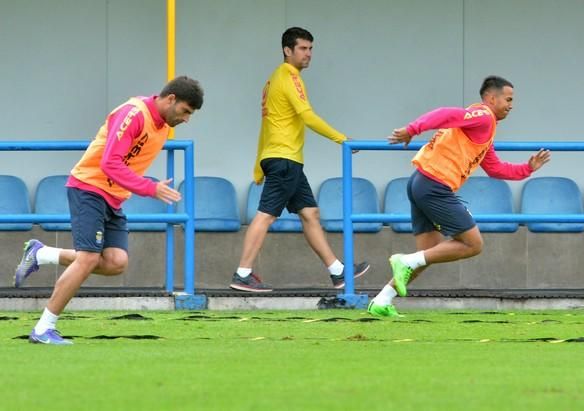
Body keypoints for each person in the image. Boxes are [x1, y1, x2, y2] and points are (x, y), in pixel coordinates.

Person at [14, 76, 204, 344]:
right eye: (185, 111)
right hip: (89, 187)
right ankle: (44, 328)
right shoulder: (133, 113)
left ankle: (42, 253)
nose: (187, 119)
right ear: (170, 99)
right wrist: (150, 188)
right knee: (89, 258)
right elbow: (110, 163)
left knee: (116, 262)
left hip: (113, 197)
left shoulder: (162, 127)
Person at [368, 76, 551, 317]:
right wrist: (412, 129)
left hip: (420, 182)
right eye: (508, 99)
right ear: (491, 98)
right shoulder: (483, 116)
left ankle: (382, 300)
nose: (511, 105)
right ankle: (405, 261)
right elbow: (444, 112)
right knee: (473, 244)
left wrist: (527, 169)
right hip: (434, 185)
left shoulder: (482, 128)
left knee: (427, 255)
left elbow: (495, 168)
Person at [230, 27, 369, 292]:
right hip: (284, 159)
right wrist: (342, 139)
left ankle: (337, 271)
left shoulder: (273, 80)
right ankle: (242, 273)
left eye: (310, 48)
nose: (308, 54)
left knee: (310, 213)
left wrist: (258, 164)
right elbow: (307, 115)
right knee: (266, 216)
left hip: (283, 158)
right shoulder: (289, 76)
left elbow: (266, 124)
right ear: (287, 50)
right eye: (303, 49)